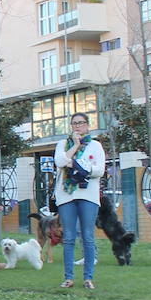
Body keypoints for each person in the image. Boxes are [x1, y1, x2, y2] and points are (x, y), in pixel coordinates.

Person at [53, 112, 106, 290]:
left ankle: (88, 278)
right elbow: (60, 161)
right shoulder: (62, 144)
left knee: (87, 236)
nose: (78, 127)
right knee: (68, 237)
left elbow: (100, 170)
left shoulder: (95, 145)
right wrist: (75, 146)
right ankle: (68, 278)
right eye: (74, 124)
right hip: (66, 195)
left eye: (81, 123)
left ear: (88, 125)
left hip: (88, 195)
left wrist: (80, 167)